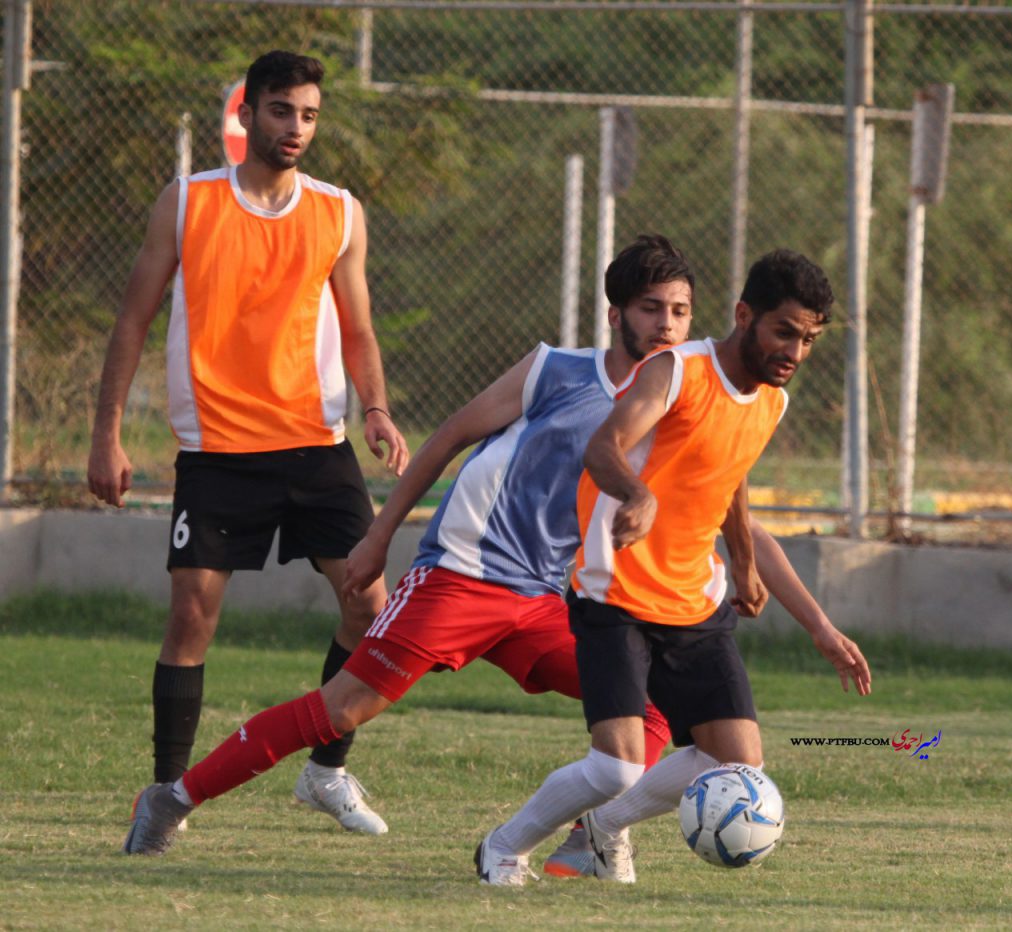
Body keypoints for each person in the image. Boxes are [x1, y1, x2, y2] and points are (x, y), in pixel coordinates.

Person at [117, 236, 863, 863]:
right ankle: (174, 798)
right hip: (465, 575)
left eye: (678, 312)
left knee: (649, 721)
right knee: (342, 710)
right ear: (616, 315)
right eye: (650, 310)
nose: (666, 326)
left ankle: (594, 837)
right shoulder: (559, 371)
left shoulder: (687, 395)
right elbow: (450, 435)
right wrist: (380, 536)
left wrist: (806, 615)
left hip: (546, 597)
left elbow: (729, 499)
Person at [87, 50, 408, 837]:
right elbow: (132, 319)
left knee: (371, 605)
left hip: (315, 442)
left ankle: (327, 772)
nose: (296, 128)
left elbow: (360, 326)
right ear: (247, 114)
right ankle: (165, 795)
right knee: (193, 616)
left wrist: (376, 408)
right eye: (281, 111)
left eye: (308, 115)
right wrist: (107, 435)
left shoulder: (338, 211)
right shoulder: (189, 202)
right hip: (220, 449)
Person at [475, 249, 872, 885]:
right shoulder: (676, 371)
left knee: (739, 767)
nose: (795, 351)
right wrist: (638, 494)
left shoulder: (770, 401)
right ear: (745, 316)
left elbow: (729, 483)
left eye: (809, 339)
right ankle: (503, 845)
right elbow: (603, 447)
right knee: (615, 768)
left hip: (695, 601)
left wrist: (761, 577)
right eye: (784, 332)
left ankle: (604, 831)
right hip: (615, 589)